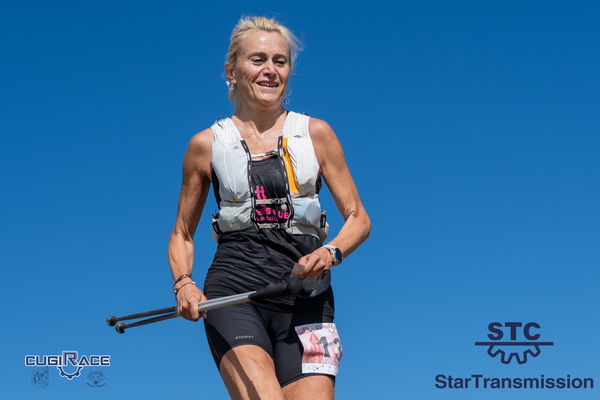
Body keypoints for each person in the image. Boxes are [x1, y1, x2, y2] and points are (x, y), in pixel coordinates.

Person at [168, 16, 370, 400]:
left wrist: (331, 251)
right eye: (258, 59)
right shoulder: (205, 145)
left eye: (280, 61)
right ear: (232, 71)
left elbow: (359, 219)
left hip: (308, 296)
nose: (270, 70)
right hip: (235, 292)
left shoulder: (317, 134)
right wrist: (184, 283)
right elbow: (181, 233)